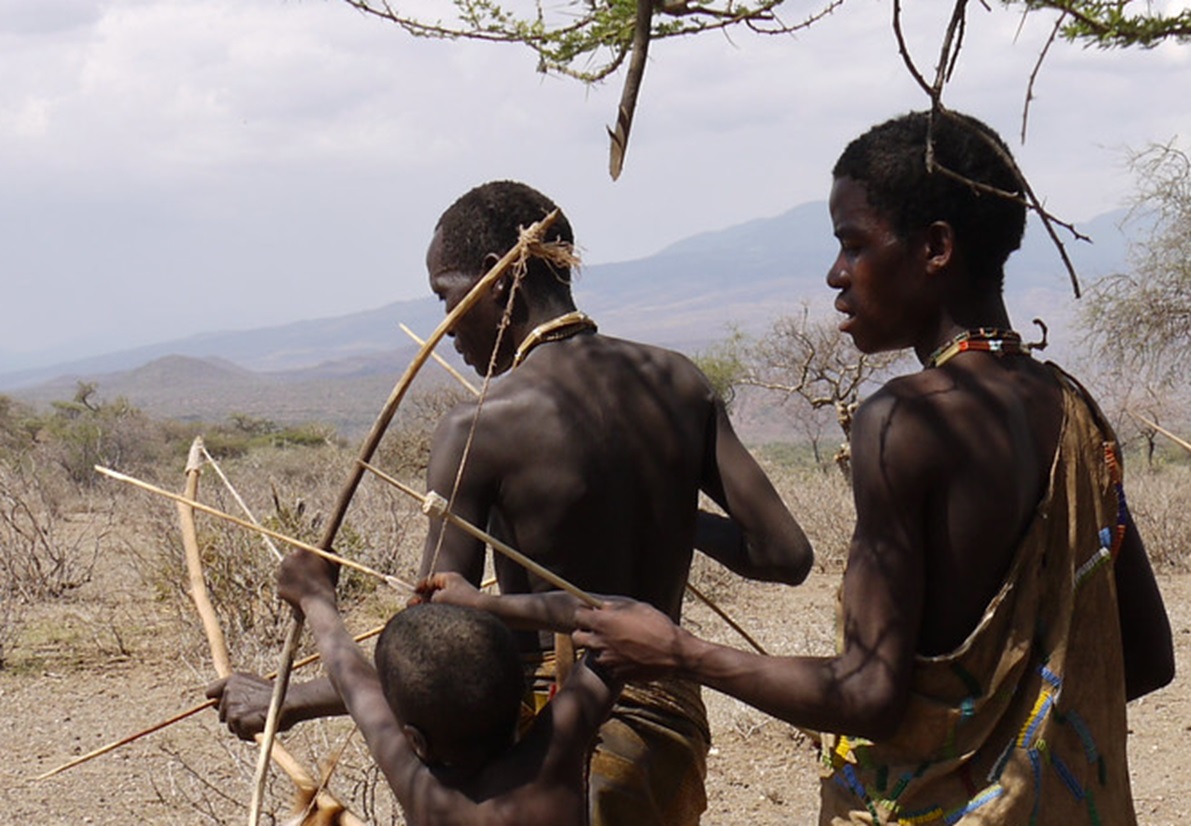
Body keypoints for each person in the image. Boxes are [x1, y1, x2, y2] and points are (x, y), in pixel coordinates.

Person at [572, 110, 1176, 825]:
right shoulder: (1075, 411)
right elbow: (1145, 657)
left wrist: (678, 651)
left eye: (853, 244)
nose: (836, 275)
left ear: (936, 248)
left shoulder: (904, 420)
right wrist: (1010, 738)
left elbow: (866, 696)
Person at [208, 180, 815, 825]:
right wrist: (655, 511)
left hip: (554, 747)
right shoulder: (679, 381)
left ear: (497, 283)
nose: (446, 325)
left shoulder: (480, 428)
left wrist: (289, 697)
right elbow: (783, 554)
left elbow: (437, 656)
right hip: (671, 734)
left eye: (446, 294)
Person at [272, 548, 619, 826]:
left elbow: (352, 678)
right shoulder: (551, 759)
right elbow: (616, 624)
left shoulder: (421, 790)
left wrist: (314, 596)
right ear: (521, 707)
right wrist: (489, 605)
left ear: (416, 741)